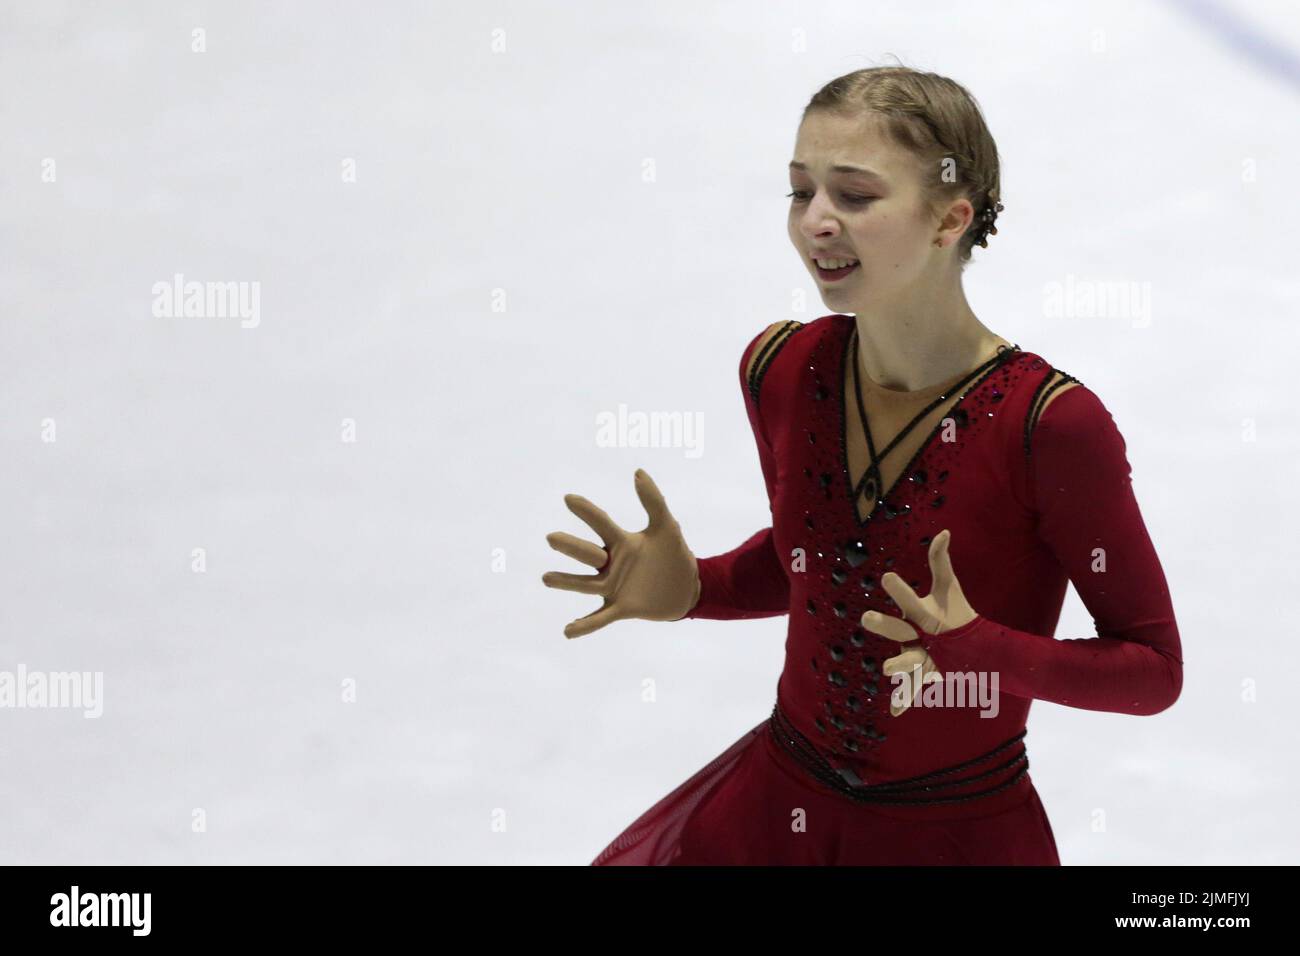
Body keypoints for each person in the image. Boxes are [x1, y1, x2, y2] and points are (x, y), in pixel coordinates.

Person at [542, 65, 1183, 865]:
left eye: (853, 195)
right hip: (776, 815)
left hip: (953, 838)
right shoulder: (782, 368)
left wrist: (980, 649)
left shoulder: (1049, 426)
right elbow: (820, 564)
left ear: (950, 218)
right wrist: (697, 588)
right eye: (799, 190)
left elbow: (1152, 671)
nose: (815, 221)